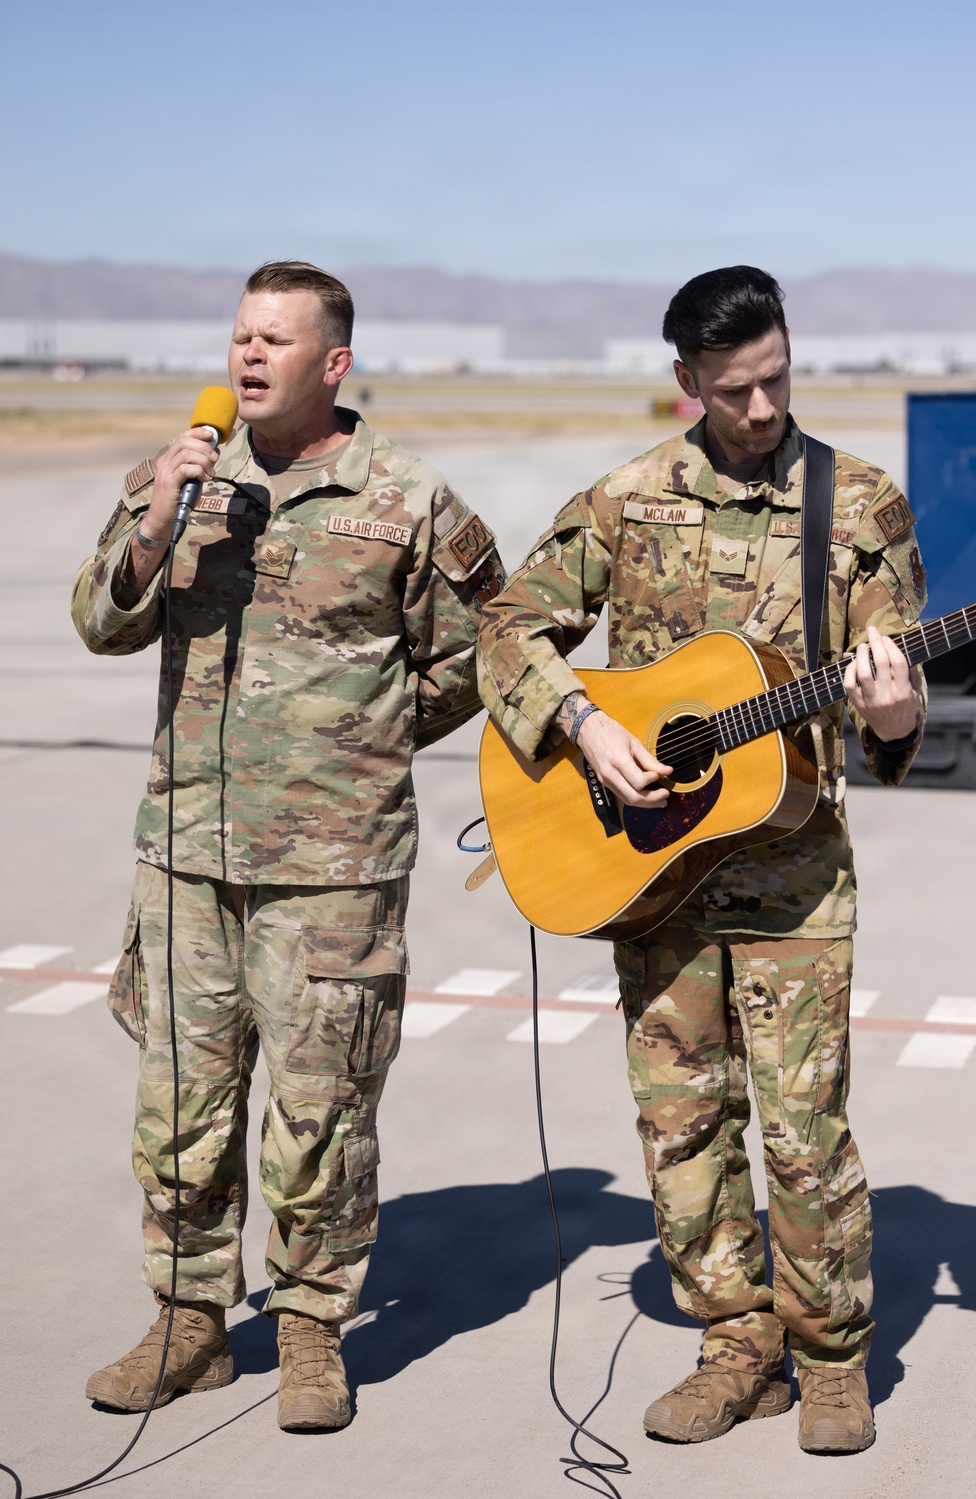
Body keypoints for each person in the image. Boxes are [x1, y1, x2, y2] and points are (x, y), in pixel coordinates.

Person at [477, 266, 926, 1455]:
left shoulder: (860, 500)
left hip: (794, 876)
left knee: (802, 1124)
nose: (766, 405)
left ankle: (831, 1355)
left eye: (779, 375)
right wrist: (582, 722)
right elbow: (508, 625)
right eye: (736, 389)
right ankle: (736, 1344)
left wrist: (889, 712)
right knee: (679, 1122)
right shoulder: (626, 500)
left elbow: (898, 715)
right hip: (653, 868)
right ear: (686, 382)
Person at [72, 260, 504, 1432]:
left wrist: (370, 734)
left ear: (333, 363)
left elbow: (487, 641)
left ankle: (314, 1329)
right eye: (240, 335)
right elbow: (101, 618)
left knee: (320, 1117)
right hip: (185, 855)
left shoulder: (405, 497)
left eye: (275, 340)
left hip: (334, 869)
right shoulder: (183, 474)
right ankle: (189, 1322)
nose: (248, 357)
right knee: (180, 1109)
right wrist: (162, 508)